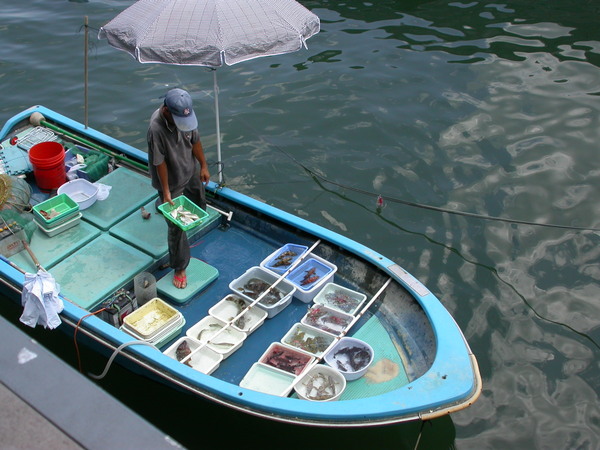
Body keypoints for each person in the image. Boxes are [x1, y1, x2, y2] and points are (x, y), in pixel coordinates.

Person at [147, 88, 210, 289]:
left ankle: (163, 204)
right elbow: (160, 163)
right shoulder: (156, 128)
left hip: (189, 169)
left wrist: (204, 165)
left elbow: (195, 141)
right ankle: (179, 265)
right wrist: (165, 191)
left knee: (199, 201)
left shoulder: (187, 117)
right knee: (176, 226)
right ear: (166, 110)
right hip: (170, 178)